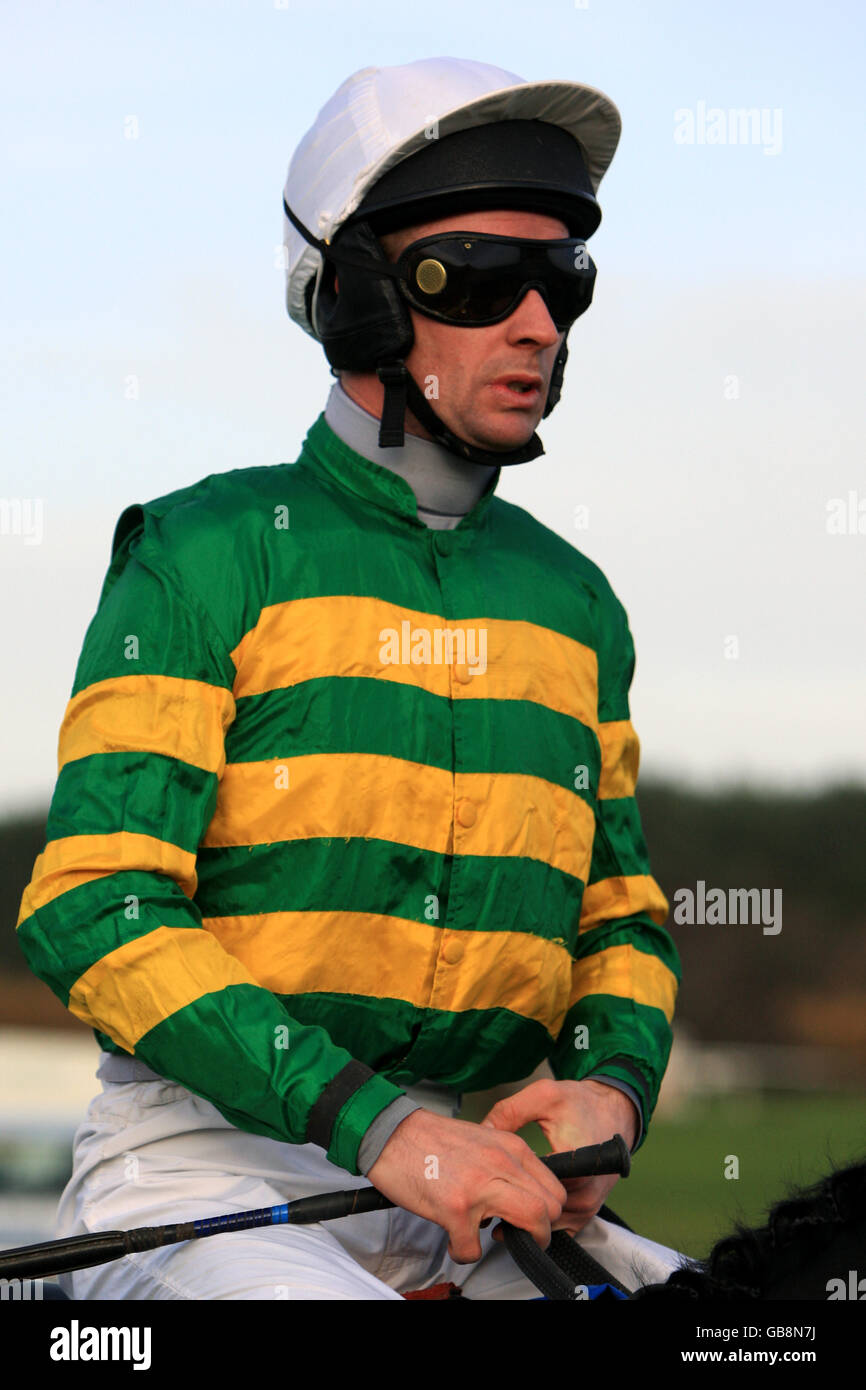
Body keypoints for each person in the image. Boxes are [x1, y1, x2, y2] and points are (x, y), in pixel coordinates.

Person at [16, 57, 682, 1300]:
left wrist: (608, 1079)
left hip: (476, 1181)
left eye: (562, 282)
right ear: (363, 299)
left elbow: (621, 920)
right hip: (203, 1177)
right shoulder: (199, 553)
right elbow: (91, 905)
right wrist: (380, 1125)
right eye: (484, 278)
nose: (537, 322)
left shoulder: (575, 602)